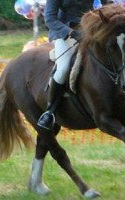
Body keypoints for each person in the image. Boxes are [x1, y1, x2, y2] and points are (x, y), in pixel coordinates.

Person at [37, 0, 112, 129]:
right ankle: (50, 111)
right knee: (64, 68)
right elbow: (50, 18)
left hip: (90, 30)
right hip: (64, 33)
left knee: (115, 56)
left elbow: (107, 5)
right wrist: (70, 33)